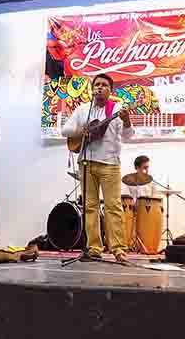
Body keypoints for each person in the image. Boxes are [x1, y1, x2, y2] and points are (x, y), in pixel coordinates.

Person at [61, 74, 134, 262]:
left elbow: (128, 136)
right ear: (92, 89)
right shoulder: (83, 110)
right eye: (97, 85)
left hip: (110, 163)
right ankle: (94, 248)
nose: (99, 88)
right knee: (89, 207)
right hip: (86, 162)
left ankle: (118, 249)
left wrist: (126, 121)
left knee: (113, 207)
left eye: (104, 85)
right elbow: (65, 130)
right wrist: (82, 130)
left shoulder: (117, 109)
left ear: (110, 90)